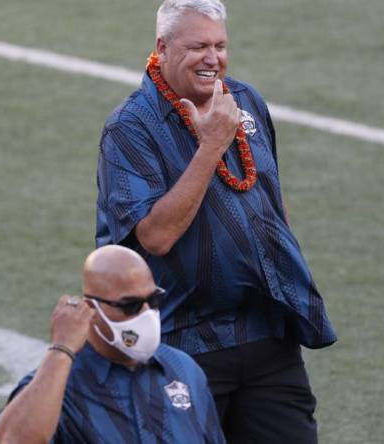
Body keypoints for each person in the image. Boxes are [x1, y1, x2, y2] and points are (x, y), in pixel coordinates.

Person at [95, 0, 337, 442]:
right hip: (182, 344)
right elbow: (156, 236)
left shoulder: (245, 102)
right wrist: (210, 148)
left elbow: (270, 203)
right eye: (198, 47)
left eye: (220, 46)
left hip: (266, 336)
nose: (213, 59)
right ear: (162, 48)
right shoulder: (130, 129)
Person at [0, 245, 225, 443]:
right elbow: (15, 439)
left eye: (153, 300)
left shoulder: (184, 368)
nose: (146, 314)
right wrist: (61, 350)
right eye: (130, 306)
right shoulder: (61, 386)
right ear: (91, 309)